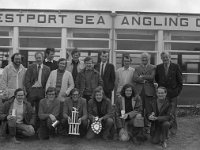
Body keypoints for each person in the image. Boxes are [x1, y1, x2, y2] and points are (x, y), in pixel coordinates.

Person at [155, 51, 183, 135]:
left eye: (166, 57)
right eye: (163, 57)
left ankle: (173, 129)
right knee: (163, 112)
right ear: (161, 58)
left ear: (169, 57)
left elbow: (180, 81)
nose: (165, 59)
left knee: (172, 112)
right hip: (163, 95)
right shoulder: (158, 67)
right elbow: (157, 79)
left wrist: (177, 92)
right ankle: (163, 128)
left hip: (173, 94)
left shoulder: (176, 66)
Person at [24, 52, 50, 130]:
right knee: (29, 110)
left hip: (41, 91)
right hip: (32, 91)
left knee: (40, 110)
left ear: (43, 58)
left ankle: (38, 129)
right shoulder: (31, 67)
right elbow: (27, 80)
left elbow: (48, 82)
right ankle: (29, 126)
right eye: (37, 58)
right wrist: (29, 90)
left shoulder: (47, 68)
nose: (38, 59)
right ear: (35, 58)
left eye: (40, 58)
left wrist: (46, 92)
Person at [133, 53, 156, 128]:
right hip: (139, 92)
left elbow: (152, 77)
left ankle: (149, 126)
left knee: (149, 109)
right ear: (141, 59)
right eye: (143, 58)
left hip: (149, 91)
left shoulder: (153, 67)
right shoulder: (137, 68)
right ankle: (140, 126)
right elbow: (135, 78)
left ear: (148, 59)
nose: (144, 60)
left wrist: (142, 76)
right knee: (140, 109)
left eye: (146, 58)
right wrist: (144, 80)